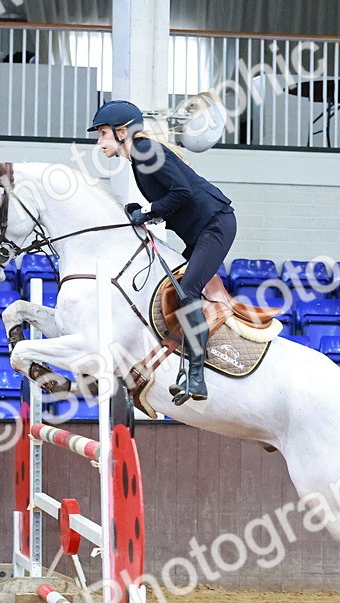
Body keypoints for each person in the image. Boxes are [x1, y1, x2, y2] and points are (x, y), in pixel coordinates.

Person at [88, 100, 236, 405]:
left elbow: (181, 192)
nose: (100, 142)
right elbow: (174, 196)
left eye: (103, 133)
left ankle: (197, 377)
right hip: (203, 229)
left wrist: (148, 210)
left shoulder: (143, 150)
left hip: (215, 225)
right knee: (178, 291)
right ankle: (188, 364)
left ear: (121, 131)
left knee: (186, 291)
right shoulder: (139, 157)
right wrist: (144, 213)